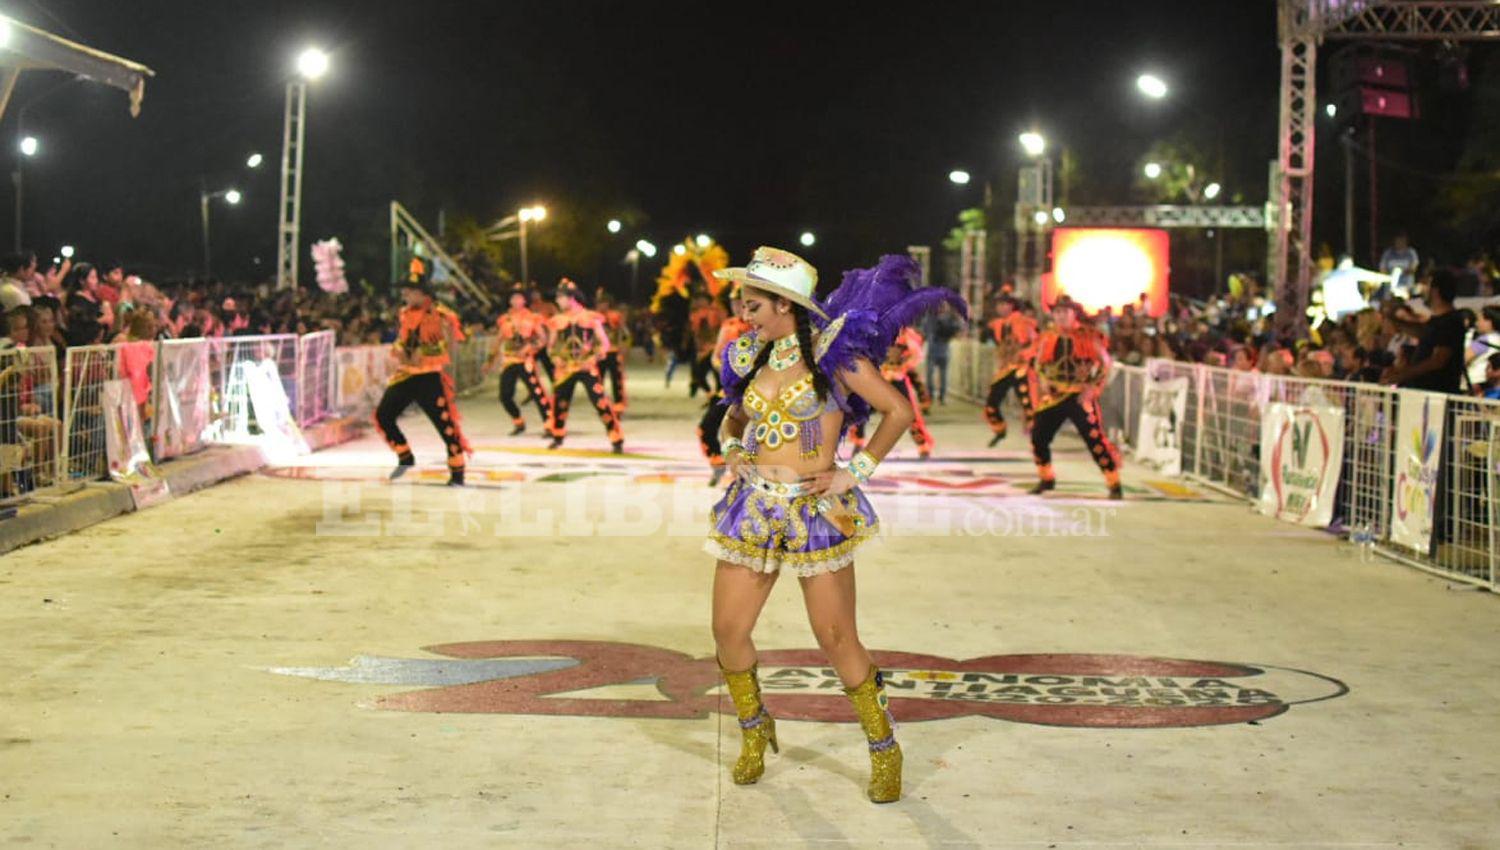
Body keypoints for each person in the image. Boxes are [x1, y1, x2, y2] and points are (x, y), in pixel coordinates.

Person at [707, 247, 964, 804]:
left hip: (814, 513)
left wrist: (854, 472)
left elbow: (898, 411)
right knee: (728, 633)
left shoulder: (835, 355)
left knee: (836, 637)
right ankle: (755, 732)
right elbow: (733, 413)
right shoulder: (747, 353)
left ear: (786, 305)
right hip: (753, 506)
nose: (744, 314)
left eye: (753, 304)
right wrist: (731, 446)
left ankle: (883, 746)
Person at [373, 280, 470, 486]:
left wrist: (425, 353)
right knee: (383, 415)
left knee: (445, 425)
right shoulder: (405, 313)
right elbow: (403, 338)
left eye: (409, 292)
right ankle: (405, 457)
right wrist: (399, 349)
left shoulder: (442, 315)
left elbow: (449, 346)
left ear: (423, 294)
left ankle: (457, 470)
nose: (406, 296)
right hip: (406, 374)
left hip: (429, 377)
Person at [1024, 298, 1123, 499]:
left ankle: (1114, 482)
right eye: (1057, 312)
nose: (1060, 316)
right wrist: (1042, 380)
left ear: (1074, 314)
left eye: (1065, 312)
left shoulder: (1088, 336)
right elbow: (1037, 363)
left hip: (1080, 396)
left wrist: (1093, 388)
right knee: (1038, 436)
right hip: (1054, 395)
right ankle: (1046, 478)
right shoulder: (1046, 337)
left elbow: (1105, 364)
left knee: (1094, 439)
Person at [544, 279, 624, 453]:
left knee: (600, 401)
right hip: (565, 368)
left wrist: (593, 358)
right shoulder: (557, 320)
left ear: (571, 298)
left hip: (587, 367)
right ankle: (557, 436)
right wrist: (555, 358)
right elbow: (550, 346)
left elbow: (605, 343)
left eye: (560, 297)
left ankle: (616, 437)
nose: (558, 301)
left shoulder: (590, 317)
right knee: (559, 403)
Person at [1381, 268, 1465, 393]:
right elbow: (1422, 333)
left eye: (1426, 286)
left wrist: (1402, 375)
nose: (1422, 290)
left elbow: (1438, 360)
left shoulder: (1450, 322)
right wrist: (1392, 318)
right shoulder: (1438, 321)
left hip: (1436, 395)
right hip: (1425, 393)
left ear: (1435, 291)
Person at [698, 286, 751, 486]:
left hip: (757, 388)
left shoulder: (759, 326)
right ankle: (718, 463)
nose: (737, 307)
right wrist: (727, 370)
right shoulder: (728, 325)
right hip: (730, 388)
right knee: (707, 427)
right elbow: (716, 356)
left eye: (741, 303)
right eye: (734, 303)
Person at [486, 285, 552, 436]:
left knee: (537, 393)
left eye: (519, 298)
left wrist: (530, 347)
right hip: (509, 361)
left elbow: (543, 339)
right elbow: (498, 340)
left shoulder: (532, 318)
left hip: (526, 360)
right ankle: (518, 421)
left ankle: (549, 424)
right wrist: (490, 360)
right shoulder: (504, 320)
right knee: (504, 396)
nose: (516, 301)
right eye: (513, 298)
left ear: (524, 300)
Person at [983, 296, 1037, 447]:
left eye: (1003, 304)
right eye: (998, 304)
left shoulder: (1024, 323)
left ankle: (1036, 436)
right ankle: (999, 430)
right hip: (1005, 369)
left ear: (1012, 306)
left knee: (1028, 404)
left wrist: (1025, 355)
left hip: (1022, 368)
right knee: (992, 401)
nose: (1000, 308)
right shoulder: (999, 324)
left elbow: (1035, 343)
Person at [594, 290, 629, 415]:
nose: (601, 305)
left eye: (603, 303)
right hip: (599, 353)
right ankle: (601, 402)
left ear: (608, 304)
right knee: (598, 379)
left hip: (613, 351)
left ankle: (619, 404)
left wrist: (622, 347)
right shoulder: (594, 317)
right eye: (599, 303)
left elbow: (622, 333)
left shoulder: (615, 315)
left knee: (617, 379)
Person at [922, 300, 963, 405]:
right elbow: (957, 330)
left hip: (937, 348)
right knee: (938, 375)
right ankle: (939, 396)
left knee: (935, 374)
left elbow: (925, 332)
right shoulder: (948, 319)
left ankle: (936, 396)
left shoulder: (931, 319)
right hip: (940, 349)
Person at [687, 291, 725, 398]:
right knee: (699, 376)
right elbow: (697, 335)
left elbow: (720, 330)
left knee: (718, 377)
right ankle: (711, 395)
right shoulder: (695, 316)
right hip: (704, 350)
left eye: (701, 301)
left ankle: (717, 397)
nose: (698, 303)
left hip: (715, 349)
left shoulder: (716, 312)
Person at [1464, 306, 1500, 391]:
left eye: (1479, 320)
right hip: (1491, 384)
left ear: (1489, 322)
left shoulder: (1484, 340)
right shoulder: (1497, 338)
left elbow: (1463, 359)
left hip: (1475, 384)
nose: (1476, 323)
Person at [1378, 232, 1419, 298]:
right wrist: (1391, 275)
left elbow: (1413, 268)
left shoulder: (1411, 253)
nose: (1399, 242)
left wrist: (1400, 272)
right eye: (1397, 240)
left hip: (1406, 287)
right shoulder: (1387, 253)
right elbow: (1382, 269)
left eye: (1402, 240)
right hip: (1389, 289)